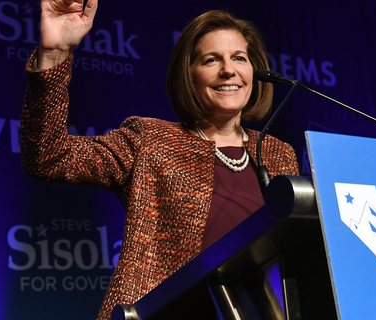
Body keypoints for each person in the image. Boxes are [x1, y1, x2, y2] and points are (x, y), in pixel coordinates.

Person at [20, 0, 299, 319]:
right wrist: (54, 54)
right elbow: (48, 157)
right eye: (211, 59)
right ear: (189, 74)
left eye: (239, 58)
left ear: (255, 71)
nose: (228, 70)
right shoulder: (150, 141)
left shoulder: (279, 154)